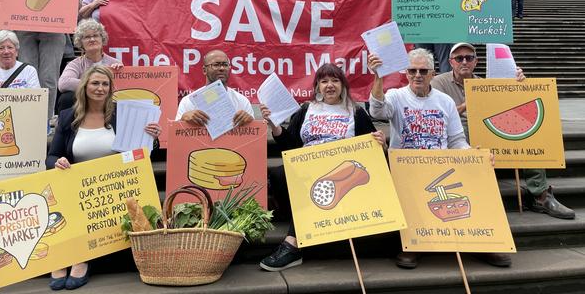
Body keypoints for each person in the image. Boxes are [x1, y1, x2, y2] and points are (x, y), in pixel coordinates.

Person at [369, 48, 510, 269]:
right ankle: (414, 245)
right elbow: (377, 111)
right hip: (408, 171)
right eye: (412, 70)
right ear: (405, 73)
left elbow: (456, 141)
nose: (418, 75)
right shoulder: (396, 96)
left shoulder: (444, 102)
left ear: (432, 73)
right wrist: (378, 77)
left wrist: (473, 155)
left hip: (441, 168)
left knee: (479, 173)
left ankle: (484, 241)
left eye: (423, 71)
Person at [258, 63, 385, 271]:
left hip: (340, 178)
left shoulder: (356, 113)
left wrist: (381, 142)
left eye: (335, 80)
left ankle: (293, 244)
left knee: (314, 185)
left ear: (343, 85)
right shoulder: (307, 110)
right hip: (307, 173)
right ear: (317, 87)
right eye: (324, 81)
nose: (330, 86)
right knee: (279, 173)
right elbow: (291, 147)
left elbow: (371, 152)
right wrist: (274, 125)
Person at [46, 65, 160, 290]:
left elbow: (142, 155)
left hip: (114, 189)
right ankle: (62, 258)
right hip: (77, 188)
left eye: (105, 84)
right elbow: (51, 156)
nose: (100, 88)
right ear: (85, 86)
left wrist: (152, 138)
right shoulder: (69, 116)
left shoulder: (122, 114)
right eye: (95, 83)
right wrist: (57, 162)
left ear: (110, 88)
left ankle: (81, 259)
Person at [431, 42, 575, 220]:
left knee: (528, 135)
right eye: (459, 58)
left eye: (469, 58)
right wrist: (466, 105)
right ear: (451, 62)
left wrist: (517, 83)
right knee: (465, 131)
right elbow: (437, 116)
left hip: (485, 130)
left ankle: (540, 194)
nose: (464, 62)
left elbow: (505, 108)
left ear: (476, 62)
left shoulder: (485, 84)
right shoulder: (438, 82)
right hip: (456, 131)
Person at [17, 0, 70, 120]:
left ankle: (45, 120)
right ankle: (27, 118)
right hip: (25, 30)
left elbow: (74, 6)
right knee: (27, 75)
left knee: (48, 77)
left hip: (53, 31)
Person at [57, 19, 123, 113]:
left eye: (95, 35)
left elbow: (122, 89)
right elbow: (63, 83)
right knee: (66, 98)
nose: (92, 39)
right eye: (87, 37)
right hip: (84, 103)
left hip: (107, 102)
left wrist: (119, 71)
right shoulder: (76, 64)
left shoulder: (114, 63)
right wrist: (92, 85)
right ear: (81, 43)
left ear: (102, 38)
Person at [176, 49, 254, 128]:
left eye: (225, 64)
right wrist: (183, 120)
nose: (222, 68)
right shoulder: (188, 101)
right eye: (216, 65)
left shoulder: (242, 101)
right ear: (204, 70)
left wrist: (251, 122)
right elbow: (175, 135)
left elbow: (254, 135)